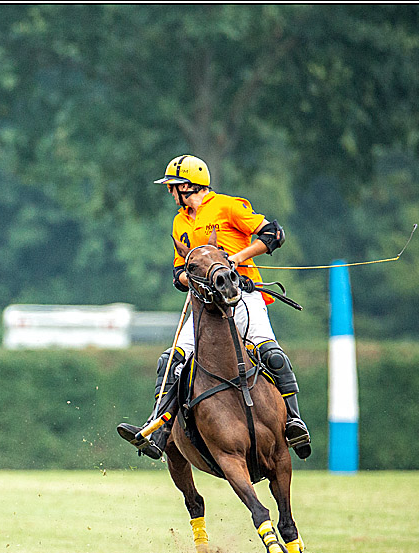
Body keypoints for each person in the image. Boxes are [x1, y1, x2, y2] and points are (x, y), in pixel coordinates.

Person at [117, 155, 311, 460]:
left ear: (186, 186)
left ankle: (294, 422)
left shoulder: (229, 206)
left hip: (243, 296)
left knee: (270, 353)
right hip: (205, 306)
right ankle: (158, 431)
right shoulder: (180, 220)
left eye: (172, 187)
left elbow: (274, 234)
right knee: (171, 360)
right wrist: (191, 275)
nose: (169, 193)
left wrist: (234, 259)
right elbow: (177, 274)